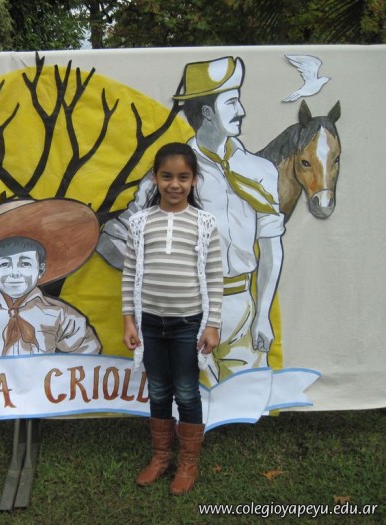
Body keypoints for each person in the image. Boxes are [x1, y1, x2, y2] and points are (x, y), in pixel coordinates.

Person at [173, 56, 285, 384]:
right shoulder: (175, 172)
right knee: (191, 394)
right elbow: (130, 238)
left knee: (246, 392)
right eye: (232, 102)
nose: (242, 111)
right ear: (208, 111)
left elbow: (271, 248)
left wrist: (262, 314)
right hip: (189, 305)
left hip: (240, 303)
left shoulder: (260, 170)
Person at [122, 142, 223, 495]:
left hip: (187, 326)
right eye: (167, 176)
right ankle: (161, 456)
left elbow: (214, 276)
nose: (175, 184)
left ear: (194, 180)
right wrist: (129, 319)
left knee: (186, 391)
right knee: (159, 390)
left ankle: (188, 463)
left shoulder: (204, 224)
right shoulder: (140, 223)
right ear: (155, 178)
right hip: (149, 324)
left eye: (183, 177)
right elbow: (130, 273)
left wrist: (212, 324)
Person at [0, 199, 101, 360]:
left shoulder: (60, 314)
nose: (15, 273)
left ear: (40, 270)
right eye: (4, 264)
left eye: (25, 263)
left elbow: (88, 355)